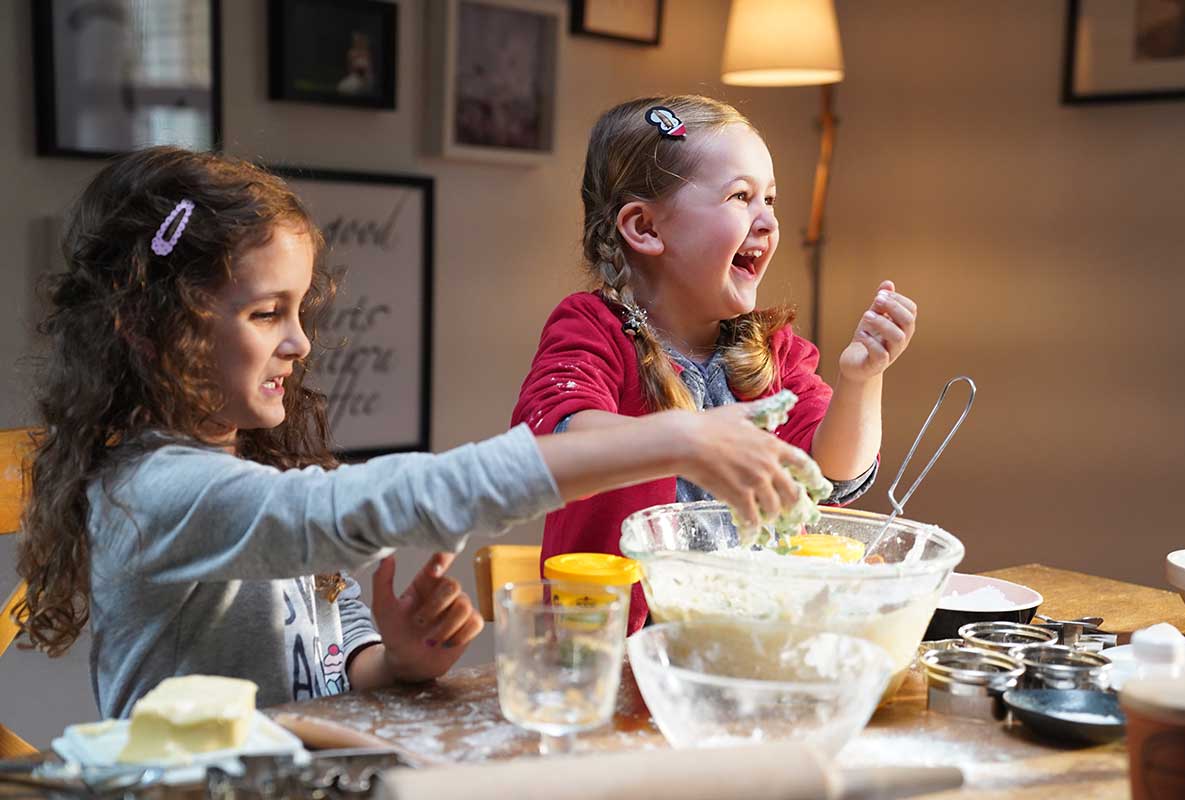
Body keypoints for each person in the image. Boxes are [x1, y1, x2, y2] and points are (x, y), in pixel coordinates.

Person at [14, 146, 810, 718]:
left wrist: (389, 660)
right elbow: (357, 509)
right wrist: (672, 438)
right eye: (266, 315)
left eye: (300, 313)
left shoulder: (241, 462)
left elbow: (323, 653)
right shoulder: (157, 491)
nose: (299, 344)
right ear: (151, 331)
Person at [511, 95, 918, 632]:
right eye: (740, 196)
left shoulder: (769, 350)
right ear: (645, 228)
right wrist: (688, 439)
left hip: (750, 636)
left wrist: (861, 379)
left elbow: (832, 474)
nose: (769, 221)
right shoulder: (593, 330)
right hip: (615, 651)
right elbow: (553, 444)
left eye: (770, 199)